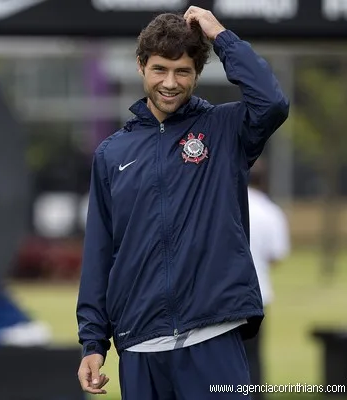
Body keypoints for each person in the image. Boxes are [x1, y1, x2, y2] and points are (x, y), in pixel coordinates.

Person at [75, 6, 289, 399]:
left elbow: (272, 102)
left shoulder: (224, 131)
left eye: (183, 71)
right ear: (141, 66)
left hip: (213, 335)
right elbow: (100, 251)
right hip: (140, 344)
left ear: (197, 73)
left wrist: (219, 34)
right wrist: (93, 341)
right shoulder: (111, 153)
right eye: (160, 69)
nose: (170, 83)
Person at [244, 158, 290, 398]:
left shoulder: (226, 204)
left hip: (223, 296)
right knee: (253, 355)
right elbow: (277, 255)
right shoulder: (271, 211)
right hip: (257, 294)